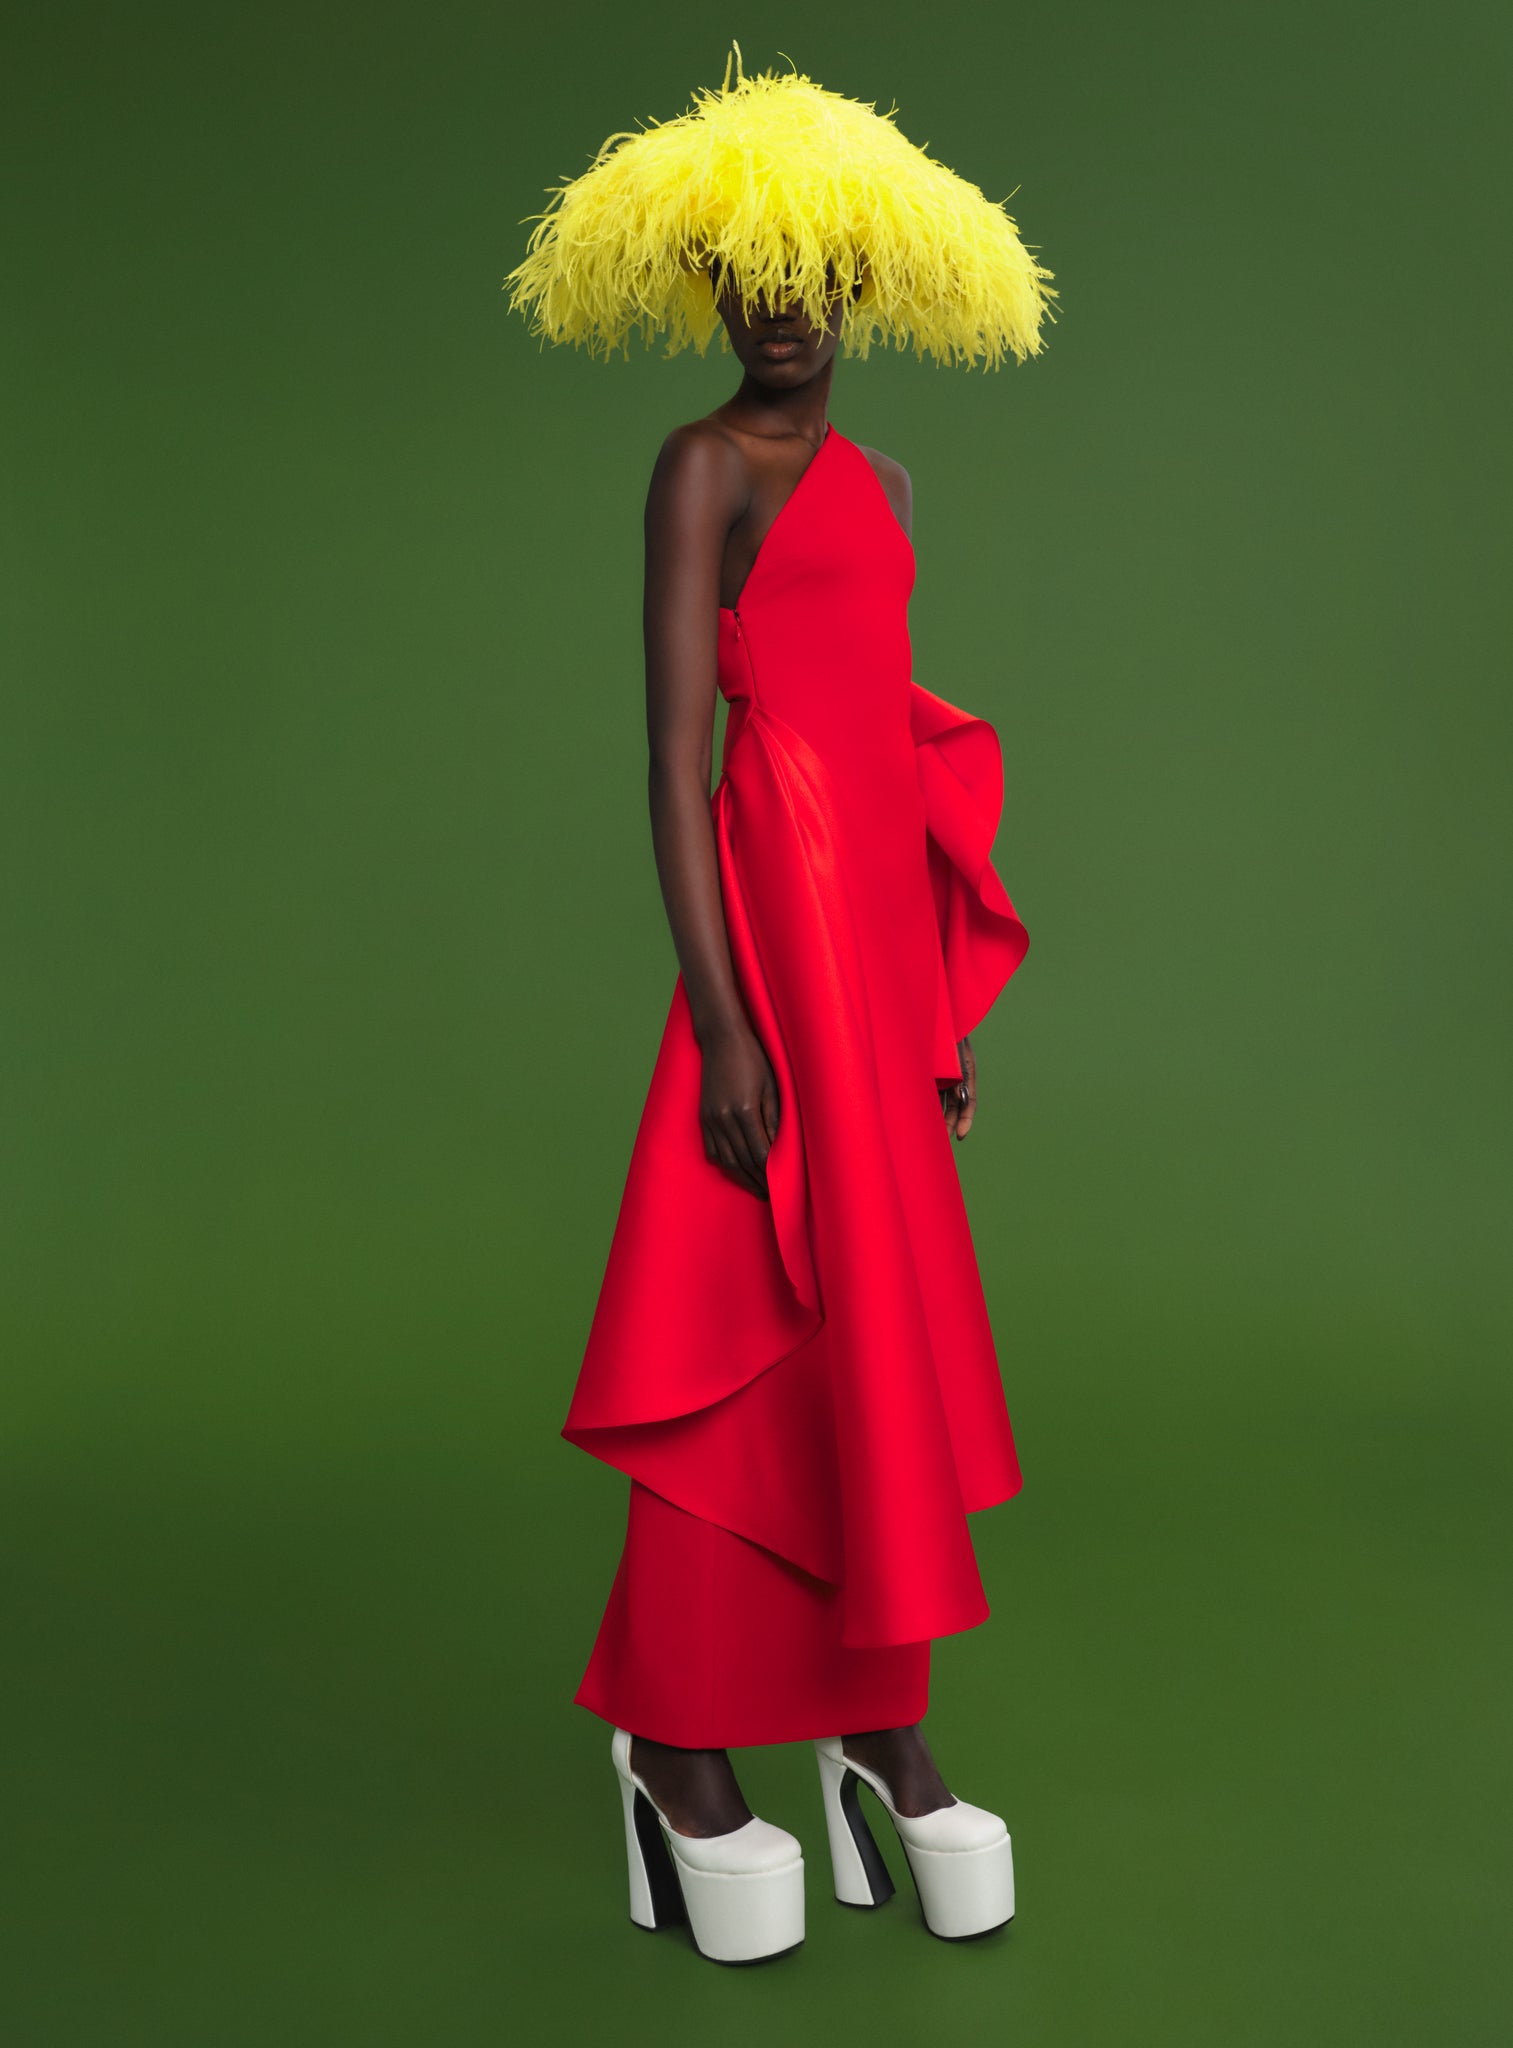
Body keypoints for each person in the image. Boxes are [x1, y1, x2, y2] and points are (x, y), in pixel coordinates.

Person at [506, 46, 1055, 1965]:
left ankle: (875, 1727)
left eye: (814, 274)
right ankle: (674, 1746)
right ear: (712, 293)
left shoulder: (889, 482)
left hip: (876, 965)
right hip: (761, 945)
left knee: (874, 1332)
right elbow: (675, 762)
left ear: (863, 287)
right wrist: (726, 1025)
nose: (782, 309)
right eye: (746, 278)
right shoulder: (698, 470)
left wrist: (933, 1027)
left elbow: (891, 747)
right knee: (743, 1314)